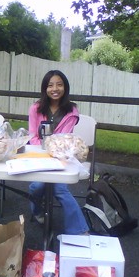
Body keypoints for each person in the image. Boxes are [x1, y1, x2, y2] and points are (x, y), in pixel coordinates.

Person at [28, 70, 89, 235]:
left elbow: (64, 139)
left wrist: (53, 148)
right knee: (37, 186)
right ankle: (38, 211)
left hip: (62, 158)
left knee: (57, 188)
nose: (55, 89)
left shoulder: (71, 110)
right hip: (39, 157)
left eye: (59, 84)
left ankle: (79, 231)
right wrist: (46, 147)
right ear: (45, 88)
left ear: (65, 87)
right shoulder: (35, 108)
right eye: (50, 85)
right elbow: (32, 136)